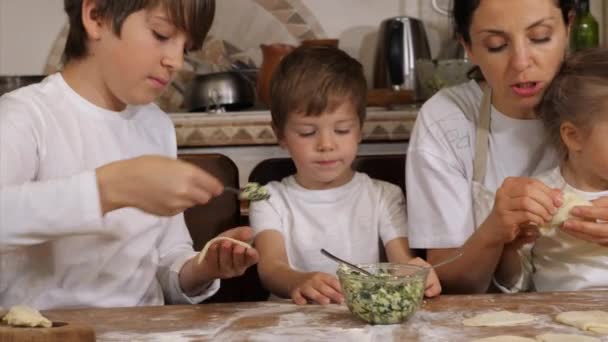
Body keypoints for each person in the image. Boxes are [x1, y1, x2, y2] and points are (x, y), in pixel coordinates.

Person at [0, 0, 258, 310]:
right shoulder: (26, 116)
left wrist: (201, 268)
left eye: (185, 48)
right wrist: (106, 189)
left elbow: (166, 257)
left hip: (144, 329)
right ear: (96, 17)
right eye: (161, 35)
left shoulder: (157, 126)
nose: (175, 61)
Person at [406, 0, 580, 294]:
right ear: (468, 47)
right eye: (497, 45)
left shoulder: (600, 105)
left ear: (568, 27)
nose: (521, 62)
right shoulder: (448, 120)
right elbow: (449, 283)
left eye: (540, 37)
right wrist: (493, 232)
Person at [249, 45, 441, 305]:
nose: (326, 144)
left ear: (360, 129)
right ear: (280, 134)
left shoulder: (384, 196)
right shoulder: (269, 199)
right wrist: (299, 281)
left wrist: (417, 274)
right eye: (307, 132)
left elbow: (402, 262)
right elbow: (271, 269)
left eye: (341, 130)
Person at [496, 48, 608, 292]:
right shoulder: (540, 195)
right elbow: (515, 283)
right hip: (557, 317)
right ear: (573, 137)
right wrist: (510, 248)